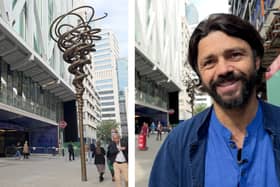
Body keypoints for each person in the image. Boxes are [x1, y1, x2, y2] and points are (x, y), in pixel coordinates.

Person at [149, 13, 280, 187]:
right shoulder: (178, 144)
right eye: (209, 62)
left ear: (256, 61)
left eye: (234, 55)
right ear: (200, 75)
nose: (223, 70)